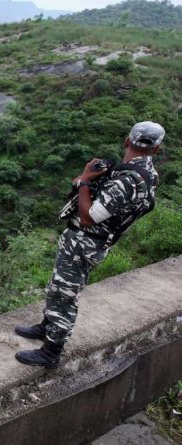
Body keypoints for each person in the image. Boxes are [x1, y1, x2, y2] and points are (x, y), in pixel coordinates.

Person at [15, 122, 163, 369]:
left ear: (127, 141)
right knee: (58, 286)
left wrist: (85, 181)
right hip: (85, 241)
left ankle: (51, 351)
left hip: (86, 242)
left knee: (65, 294)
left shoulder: (129, 180)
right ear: (156, 150)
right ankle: (47, 327)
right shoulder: (144, 175)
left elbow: (89, 216)